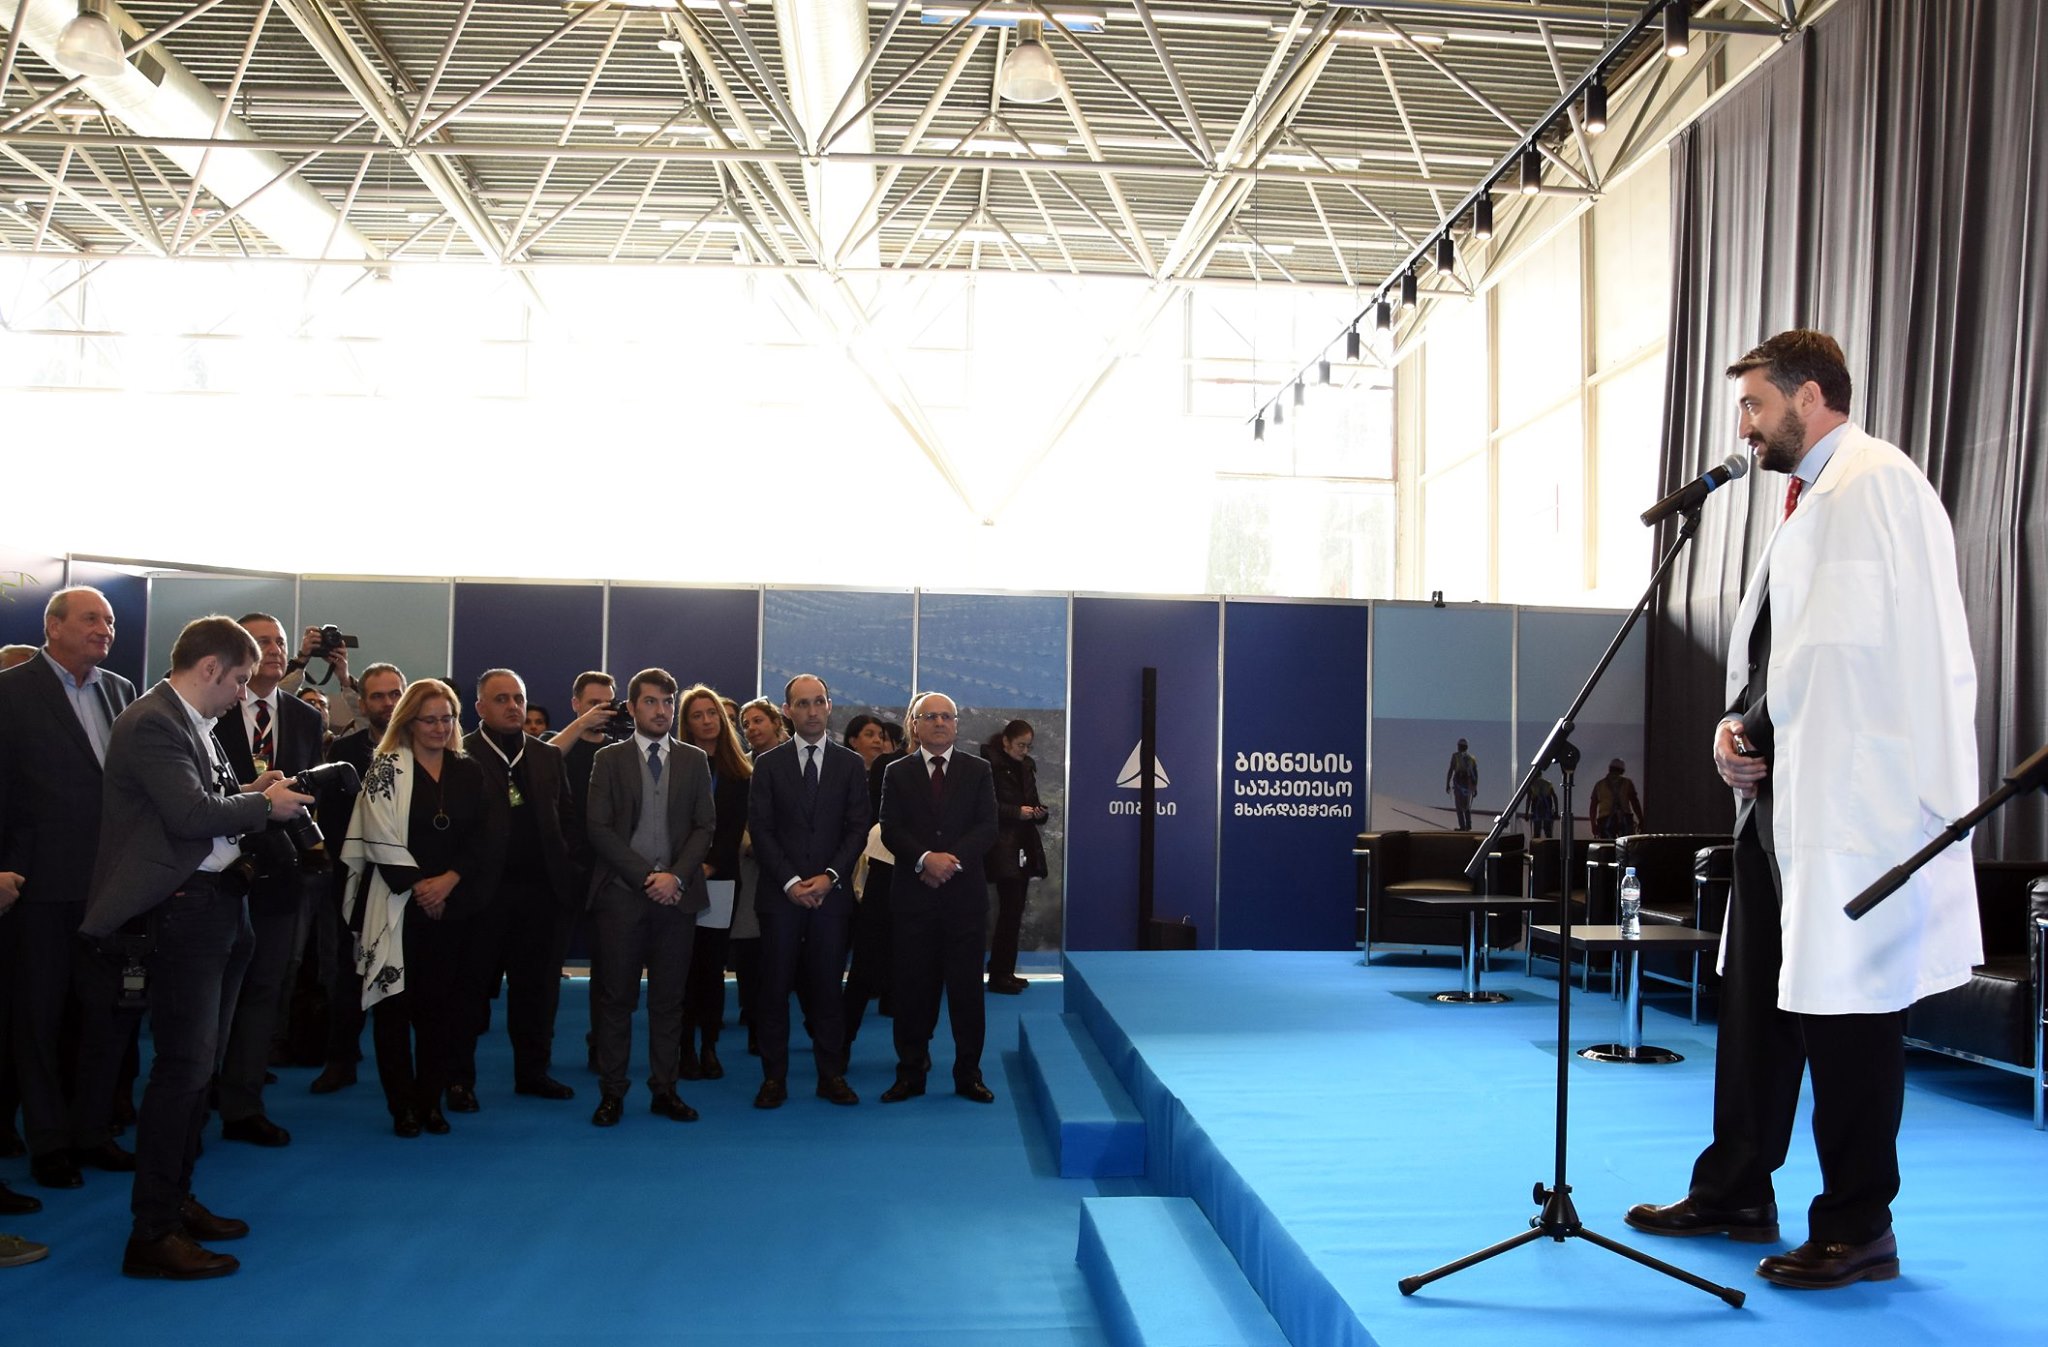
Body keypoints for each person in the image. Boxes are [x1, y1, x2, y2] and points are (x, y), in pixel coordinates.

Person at [1625, 330, 1981, 1291]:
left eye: (1754, 405)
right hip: (1779, 802)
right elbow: (1786, 655)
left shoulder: (1879, 484)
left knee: (1850, 1014)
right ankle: (1737, 1187)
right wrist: (1733, 730)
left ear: (1810, 395)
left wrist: (1915, 798)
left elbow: (1899, 655)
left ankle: (1859, 1223)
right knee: (1755, 1006)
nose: (1744, 426)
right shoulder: (1806, 501)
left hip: (1856, 810)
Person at [80, 616, 315, 1280]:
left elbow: (204, 801)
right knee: (182, 1069)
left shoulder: (192, 722)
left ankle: (176, 1201)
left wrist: (251, 793)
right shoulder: (154, 722)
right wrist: (264, 807)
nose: (243, 693)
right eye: (239, 679)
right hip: (182, 909)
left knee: (198, 1068)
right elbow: (188, 816)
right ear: (209, 667)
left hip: (215, 904)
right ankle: (152, 1230)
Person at [0, 586, 138, 1192]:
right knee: (39, 1020)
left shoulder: (121, 692)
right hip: (39, 884)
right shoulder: (10, 691)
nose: (104, 628)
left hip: (111, 885)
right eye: (90, 619)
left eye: (109, 620)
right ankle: (49, 1142)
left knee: (104, 1017)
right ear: (52, 626)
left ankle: (91, 1132)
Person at [341, 679, 504, 1140]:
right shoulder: (385, 768)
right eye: (429, 719)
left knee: (441, 1011)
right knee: (394, 1010)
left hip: (453, 906)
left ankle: (430, 1101)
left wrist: (448, 881)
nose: (439, 727)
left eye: (446, 719)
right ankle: (403, 1107)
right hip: (397, 906)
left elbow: (483, 837)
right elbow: (377, 835)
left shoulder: (468, 770)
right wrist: (419, 888)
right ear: (409, 721)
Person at [208, 613, 325, 1149]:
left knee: (263, 992)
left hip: (279, 875)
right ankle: (194, 1098)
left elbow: (307, 797)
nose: (275, 649)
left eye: (280, 641)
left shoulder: (304, 716)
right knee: (208, 994)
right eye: (262, 642)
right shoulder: (210, 708)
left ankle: (243, 1104)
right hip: (216, 873)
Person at [584, 668, 714, 1127]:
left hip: (677, 898)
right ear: (633, 707)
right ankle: (612, 1093)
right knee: (616, 999)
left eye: (668, 702)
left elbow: (705, 826)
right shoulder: (609, 759)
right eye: (651, 702)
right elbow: (598, 827)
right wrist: (646, 877)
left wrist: (674, 876)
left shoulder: (694, 759)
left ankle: (665, 1090)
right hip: (622, 898)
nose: (662, 711)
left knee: (669, 1001)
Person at [746, 674, 868, 1109]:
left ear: (830, 706)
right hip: (780, 896)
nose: (812, 711)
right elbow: (760, 829)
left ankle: (830, 1075)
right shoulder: (768, 764)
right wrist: (791, 882)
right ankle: (773, 1078)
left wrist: (830, 876)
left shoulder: (850, 764)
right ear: (787, 711)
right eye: (802, 703)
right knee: (773, 988)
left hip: (831, 897)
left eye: (819, 702)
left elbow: (858, 827)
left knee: (828, 990)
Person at [465, 670, 580, 1104]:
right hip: (482, 897)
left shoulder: (547, 756)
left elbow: (567, 818)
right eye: (502, 699)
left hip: (543, 896)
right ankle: (459, 1080)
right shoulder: (462, 754)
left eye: (519, 698)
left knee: (538, 992)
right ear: (480, 707)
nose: (513, 706)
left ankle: (533, 1073)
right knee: (469, 992)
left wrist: (570, 871)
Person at [878, 692, 1000, 1104]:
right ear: (915, 725)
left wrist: (949, 862)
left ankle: (969, 1075)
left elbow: (987, 827)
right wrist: (925, 860)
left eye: (947, 716)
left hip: (964, 901)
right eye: (930, 716)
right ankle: (910, 1073)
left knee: (967, 994)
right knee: (912, 992)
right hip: (914, 901)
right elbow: (891, 829)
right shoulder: (896, 772)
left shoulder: (978, 769)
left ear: (956, 724)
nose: (940, 723)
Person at [307, 662, 404, 1095]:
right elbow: (329, 819)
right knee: (349, 974)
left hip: (412, 881)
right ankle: (340, 1060)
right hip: (357, 879)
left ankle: (406, 1071)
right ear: (362, 704)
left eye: (395, 693)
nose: (388, 703)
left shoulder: (427, 745)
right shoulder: (343, 752)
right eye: (378, 696)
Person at [676, 685, 750, 1082]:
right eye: (697, 715)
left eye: (711, 714)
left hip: (720, 879)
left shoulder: (738, 772)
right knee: (682, 966)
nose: (706, 721)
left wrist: (709, 865)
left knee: (712, 966)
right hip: (679, 877)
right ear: (686, 724)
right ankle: (683, 1047)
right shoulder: (676, 764)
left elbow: (732, 829)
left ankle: (709, 1046)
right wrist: (687, 867)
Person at [732, 696, 787, 1051]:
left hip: (793, 870)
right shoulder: (740, 768)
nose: (751, 729)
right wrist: (753, 844)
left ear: (776, 723)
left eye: (758, 721)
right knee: (751, 948)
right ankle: (754, 1018)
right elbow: (730, 815)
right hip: (752, 866)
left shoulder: (795, 762)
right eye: (746, 724)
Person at [983, 719, 1049, 995]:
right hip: (1001, 847)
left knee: (1014, 912)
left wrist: (1039, 813)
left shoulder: (1027, 767)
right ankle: (999, 974)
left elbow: (1032, 802)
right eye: (1021, 745)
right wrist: (1016, 812)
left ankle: (1005, 971)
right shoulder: (988, 767)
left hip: (1023, 845)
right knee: (1009, 912)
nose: (1024, 751)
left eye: (1028, 746)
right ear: (1006, 742)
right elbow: (985, 806)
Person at [1589, 759, 1644, 840]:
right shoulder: (1627, 783)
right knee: (1626, 845)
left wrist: (1593, 825)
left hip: (1605, 821)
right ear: (1622, 771)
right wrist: (1641, 820)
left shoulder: (1599, 785)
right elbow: (1635, 803)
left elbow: (1593, 807)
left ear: (1609, 769)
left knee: (1608, 845)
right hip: (1625, 819)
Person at [1445, 738, 1478, 830]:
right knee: (1466, 805)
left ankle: (1463, 826)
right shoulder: (1471, 758)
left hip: (1459, 782)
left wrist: (1447, 784)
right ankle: (1468, 825)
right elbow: (1475, 774)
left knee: (1459, 806)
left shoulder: (1456, 756)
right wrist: (1475, 787)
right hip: (1468, 783)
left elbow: (1451, 770)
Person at [1524, 770, 1558, 840]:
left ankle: (1537, 846)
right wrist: (1556, 811)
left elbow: (1528, 800)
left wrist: (1526, 813)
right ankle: (1549, 846)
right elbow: (1554, 797)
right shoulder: (1548, 784)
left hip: (1536, 812)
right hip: (1547, 812)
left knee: (1536, 834)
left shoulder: (1532, 785)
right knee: (1548, 833)